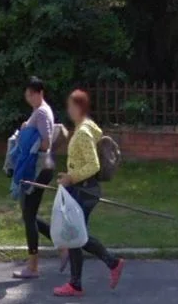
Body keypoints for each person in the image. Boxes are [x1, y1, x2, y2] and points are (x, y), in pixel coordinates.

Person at [49, 89, 125, 297]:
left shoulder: (83, 132)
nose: (68, 110)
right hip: (82, 188)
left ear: (79, 107)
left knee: (75, 235)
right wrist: (69, 176)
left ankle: (109, 265)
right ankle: (80, 282)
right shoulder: (86, 127)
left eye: (71, 106)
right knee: (75, 235)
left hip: (85, 190)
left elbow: (93, 165)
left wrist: (71, 178)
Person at [12, 76, 56, 280]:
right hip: (40, 168)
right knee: (29, 214)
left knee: (29, 216)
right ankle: (62, 246)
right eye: (27, 95)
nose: (29, 98)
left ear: (40, 93)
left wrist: (26, 138)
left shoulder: (41, 112)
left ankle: (33, 267)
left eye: (32, 94)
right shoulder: (39, 111)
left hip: (38, 169)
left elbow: (46, 142)